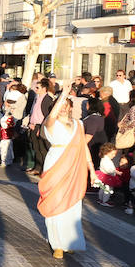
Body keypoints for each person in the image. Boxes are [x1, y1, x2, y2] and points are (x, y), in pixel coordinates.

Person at [37, 91, 90, 258]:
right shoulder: (50, 122)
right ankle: (57, 244)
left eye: (66, 105)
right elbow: (52, 115)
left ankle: (69, 241)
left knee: (72, 205)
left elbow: (84, 147)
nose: (63, 109)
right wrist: (64, 93)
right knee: (56, 202)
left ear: (71, 107)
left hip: (75, 165)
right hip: (56, 163)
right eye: (60, 105)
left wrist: (92, 170)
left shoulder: (79, 124)